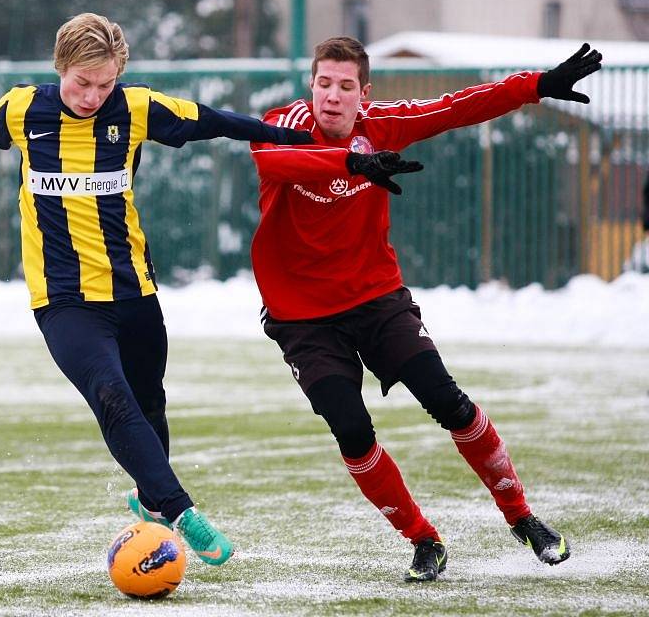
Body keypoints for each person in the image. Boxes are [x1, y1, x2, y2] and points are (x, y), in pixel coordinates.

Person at [0, 12, 312, 567]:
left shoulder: (134, 108)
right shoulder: (23, 109)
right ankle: (182, 512)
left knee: (150, 403)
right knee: (112, 395)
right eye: (82, 82)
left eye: (104, 84)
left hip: (133, 290)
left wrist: (290, 136)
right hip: (63, 300)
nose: (92, 95)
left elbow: (214, 121)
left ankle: (153, 502)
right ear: (60, 69)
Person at [247, 37, 602, 581]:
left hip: (376, 298)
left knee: (449, 403)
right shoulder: (283, 126)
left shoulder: (381, 123)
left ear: (364, 93)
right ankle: (422, 539)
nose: (333, 97)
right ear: (310, 87)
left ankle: (523, 516)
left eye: (346, 87)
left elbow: (457, 106)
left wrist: (535, 87)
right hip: (301, 317)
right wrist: (352, 163)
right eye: (324, 84)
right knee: (351, 430)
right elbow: (278, 157)